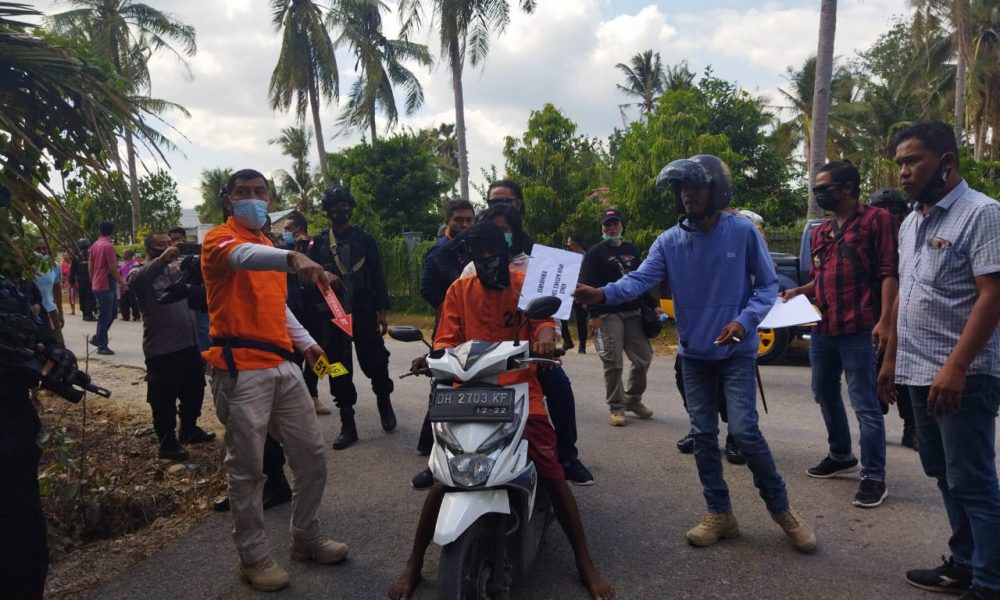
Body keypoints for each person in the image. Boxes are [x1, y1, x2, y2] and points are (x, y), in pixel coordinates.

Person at [575, 154, 816, 554]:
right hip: (695, 354)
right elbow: (639, 279)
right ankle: (720, 514)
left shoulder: (742, 232)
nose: (687, 195)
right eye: (682, 188)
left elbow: (766, 287)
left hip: (737, 352)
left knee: (746, 432)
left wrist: (744, 321)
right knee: (704, 436)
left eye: (696, 186)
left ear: (717, 189)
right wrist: (601, 294)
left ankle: (782, 509)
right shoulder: (670, 240)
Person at [388, 222, 613, 600]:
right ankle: (412, 565)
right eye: (480, 257)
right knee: (444, 476)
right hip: (469, 392)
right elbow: (446, 339)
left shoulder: (526, 284)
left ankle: (586, 564)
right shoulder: (459, 289)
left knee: (552, 470)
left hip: (523, 391)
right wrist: (432, 357)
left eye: (493, 256)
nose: (487, 263)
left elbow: (545, 324)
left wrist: (544, 339)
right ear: (471, 258)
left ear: (504, 253)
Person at [202, 168, 348, 592]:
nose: (253, 198)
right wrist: (294, 257)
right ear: (228, 199)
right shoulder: (220, 241)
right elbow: (241, 259)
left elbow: (277, 307)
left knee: (312, 457)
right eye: (243, 192)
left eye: (260, 192)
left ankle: (305, 537)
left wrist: (306, 344)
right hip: (240, 369)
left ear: (269, 198)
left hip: (282, 365)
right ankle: (253, 558)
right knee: (247, 471)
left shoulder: (267, 243)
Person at [877, 121, 1000, 599]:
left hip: (963, 375)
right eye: (900, 162)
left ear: (947, 161)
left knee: (973, 480)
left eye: (913, 161)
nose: (903, 172)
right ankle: (966, 562)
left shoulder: (982, 213)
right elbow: (906, 297)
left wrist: (957, 367)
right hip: (916, 371)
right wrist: (890, 361)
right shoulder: (911, 222)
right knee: (941, 471)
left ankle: (989, 582)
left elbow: (992, 296)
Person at [780, 160, 896, 509]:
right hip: (825, 328)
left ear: (847, 187)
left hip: (861, 328)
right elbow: (826, 278)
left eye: (825, 187)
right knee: (823, 392)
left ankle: (874, 476)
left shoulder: (878, 220)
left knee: (865, 403)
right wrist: (800, 291)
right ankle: (841, 454)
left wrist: (886, 321)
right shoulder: (821, 231)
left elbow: (890, 273)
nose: (819, 193)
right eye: (816, 187)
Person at [0, 266, 89, 600]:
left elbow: (31, 333)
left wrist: (50, 351)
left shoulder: (6, 287)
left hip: (12, 433)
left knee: (22, 545)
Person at [307, 186, 396, 450]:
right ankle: (348, 422)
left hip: (364, 308)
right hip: (333, 312)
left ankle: (384, 401)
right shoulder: (318, 243)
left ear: (351, 207)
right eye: (335, 205)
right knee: (336, 366)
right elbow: (308, 278)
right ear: (327, 210)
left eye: (345, 204)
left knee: (376, 360)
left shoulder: (364, 240)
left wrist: (382, 310)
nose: (340, 210)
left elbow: (378, 274)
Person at [126, 232, 216, 461]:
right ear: (149, 250)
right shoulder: (140, 273)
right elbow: (135, 282)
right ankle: (167, 443)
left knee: (194, 390)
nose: (167, 248)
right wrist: (163, 258)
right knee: (163, 399)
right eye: (160, 245)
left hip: (189, 343)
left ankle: (189, 430)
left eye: (169, 244)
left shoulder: (179, 270)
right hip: (162, 349)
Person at [411, 198, 475, 472]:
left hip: (475, 320)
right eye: (459, 220)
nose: (464, 225)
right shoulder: (438, 251)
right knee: (444, 377)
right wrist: (451, 308)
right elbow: (426, 288)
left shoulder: (472, 247)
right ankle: (433, 442)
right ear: (447, 221)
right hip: (450, 321)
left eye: (469, 220)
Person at [580, 208, 656, 427]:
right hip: (606, 313)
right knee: (613, 361)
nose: (611, 227)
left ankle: (632, 399)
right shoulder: (595, 253)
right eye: (607, 224)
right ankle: (617, 406)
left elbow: (642, 280)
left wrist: (654, 305)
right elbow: (588, 285)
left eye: (615, 223)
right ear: (602, 228)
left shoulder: (632, 249)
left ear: (622, 226)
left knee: (643, 357)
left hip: (633, 311)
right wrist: (593, 315)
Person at [869, 187, 918, 450]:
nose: (890, 217)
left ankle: (911, 429)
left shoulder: (911, 234)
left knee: (905, 378)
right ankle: (875, 427)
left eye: (895, 212)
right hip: (872, 315)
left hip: (905, 316)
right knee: (872, 375)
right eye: (884, 212)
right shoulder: (867, 236)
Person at [89, 220, 125, 355]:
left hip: (99, 283)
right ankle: (102, 345)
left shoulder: (95, 245)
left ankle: (98, 337)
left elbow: (90, 266)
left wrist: (92, 279)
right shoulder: (108, 246)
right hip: (105, 284)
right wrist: (122, 282)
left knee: (113, 313)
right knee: (105, 315)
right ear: (112, 231)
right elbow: (112, 268)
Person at [33, 240, 64, 345]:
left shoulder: (55, 266)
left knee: (58, 346)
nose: (41, 251)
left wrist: (60, 313)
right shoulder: (28, 267)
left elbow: (57, 290)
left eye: (44, 248)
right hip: (33, 311)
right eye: (38, 249)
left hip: (50, 310)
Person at [562, 232, 589, 353]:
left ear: (576, 244)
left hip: (579, 292)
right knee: (561, 317)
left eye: (570, 245)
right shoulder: (567, 257)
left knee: (581, 320)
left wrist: (585, 297)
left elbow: (588, 277)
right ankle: (567, 341)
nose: (568, 247)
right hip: (566, 292)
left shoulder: (586, 258)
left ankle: (582, 346)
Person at [70, 239, 96, 321]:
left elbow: (72, 271)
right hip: (89, 280)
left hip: (81, 281)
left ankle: (85, 314)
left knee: (82, 296)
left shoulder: (76, 257)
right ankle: (89, 314)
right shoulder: (90, 255)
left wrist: (72, 281)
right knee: (89, 297)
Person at [119, 249, 142, 322]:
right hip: (123, 285)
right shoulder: (122, 264)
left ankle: (136, 316)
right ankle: (125, 316)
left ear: (129, 255)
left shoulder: (135, 264)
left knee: (133, 301)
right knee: (124, 301)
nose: (122, 255)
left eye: (124, 253)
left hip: (131, 285)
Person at [61, 251, 75, 316]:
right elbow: (63, 274)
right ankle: (73, 310)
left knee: (73, 295)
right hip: (68, 282)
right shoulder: (63, 264)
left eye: (67, 255)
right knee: (71, 296)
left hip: (75, 281)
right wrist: (63, 283)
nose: (65, 256)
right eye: (64, 255)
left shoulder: (73, 263)